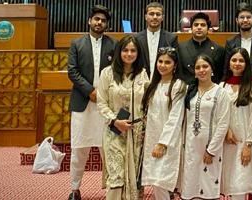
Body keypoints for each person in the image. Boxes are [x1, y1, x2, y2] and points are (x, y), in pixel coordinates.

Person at [67, 5, 118, 200]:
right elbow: (73, 71)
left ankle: (113, 189)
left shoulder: (114, 44)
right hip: (83, 103)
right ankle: (74, 189)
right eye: (96, 19)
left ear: (106, 24)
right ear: (89, 21)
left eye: (103, 20)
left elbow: (118, 71)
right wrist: (90, 91)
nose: (99, 23)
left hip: (107, 104)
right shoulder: (77, 44)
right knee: (79, 148)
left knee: (109, 147)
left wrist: (102, 94)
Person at [96, 35, 149, 200]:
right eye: (125, 50)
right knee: (116, 174)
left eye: (133, 50)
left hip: (136, 133)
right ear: (119, 52)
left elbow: (147, 102)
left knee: (134, 176)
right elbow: (101, 103)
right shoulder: (107, 73)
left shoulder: (142, 74)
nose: (129, 54)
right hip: (114, 131)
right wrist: (115, 120)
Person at [181, 54, 230, 199]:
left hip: (210, 148)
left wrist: (211, 150)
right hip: (191, 147)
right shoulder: (189, 91)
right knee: (190, 187)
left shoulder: (220, 92)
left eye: (205, 66)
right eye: (198, 67)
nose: (201, 70)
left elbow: (223, 123)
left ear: (212, 70)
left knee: (208, 187)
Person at [141, 47, 187, 200]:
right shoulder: (152, 86)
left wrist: (162, 143)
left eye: (167, 62)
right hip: (151, 138)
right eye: (160, 61)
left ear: (175, 65)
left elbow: (175, 117)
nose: (163, 65)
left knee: (162, 180)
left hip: (169, 140)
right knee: (155, 180)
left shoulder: (178, 86)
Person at [220, 47, 252, 200]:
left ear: (247, 64)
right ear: (229, 63)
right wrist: (226, 131)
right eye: (234, 60)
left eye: (241, 61)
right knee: (231, 182)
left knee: (241, 182)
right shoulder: (222, 87)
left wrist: (249, 145)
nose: (237, 64)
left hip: (246, 142)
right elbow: (218, 116)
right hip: (228, 142)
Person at [224, 2, 252, 78]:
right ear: (236, 20)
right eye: (242, 17)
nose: (245, 20)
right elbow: (227, 68)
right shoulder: (230, 42)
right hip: (237, 83)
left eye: (248, 17)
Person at [134, 2, 178, 79]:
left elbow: (175, 64)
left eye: (158, 14)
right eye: (151, 14)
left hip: (163, 81)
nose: (154, 17)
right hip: (140, 81)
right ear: (146, 17)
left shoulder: (171, 38)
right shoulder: (136, 38)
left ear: (162, 17)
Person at [178, 13, 225, 85]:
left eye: (203, 25)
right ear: (191, 28)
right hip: (186, 90)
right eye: (196, 25)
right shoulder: (180, 47)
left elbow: (220, 74)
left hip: (211, 91)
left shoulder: (219, 49)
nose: (199, 27)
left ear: (208, 28)